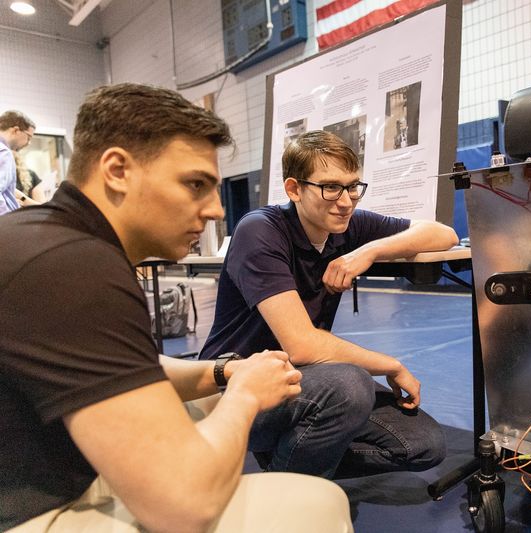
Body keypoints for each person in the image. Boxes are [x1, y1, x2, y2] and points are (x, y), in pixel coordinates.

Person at [0, 84, 353, 532]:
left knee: (242, 401)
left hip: (42, 465)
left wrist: (225, 374)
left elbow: (129, 366)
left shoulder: (46, 236)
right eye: (195, 185)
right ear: (117, 170)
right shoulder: (75, 267)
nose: (215, 211)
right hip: (28, 511)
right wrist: (244, 397)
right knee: (317, 503)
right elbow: (184, 507)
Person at [199, 130, 458, 478]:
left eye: (353, 186)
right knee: (350, 386)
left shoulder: (345, 225)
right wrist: (391, 366)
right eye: (330, 187)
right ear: (294, 189)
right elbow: (303, 345)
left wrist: (369, 250)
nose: (346, 200)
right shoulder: (260, 231)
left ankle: (289, 460)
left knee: (423, 443)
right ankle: (288, 495)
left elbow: (444, 234)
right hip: (235, 388)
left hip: (301, 382)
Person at [0, 110, 35, 215]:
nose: (28, 143)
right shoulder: (4, 152)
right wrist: (7, 222)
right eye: (28, 137)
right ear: (16, 130)